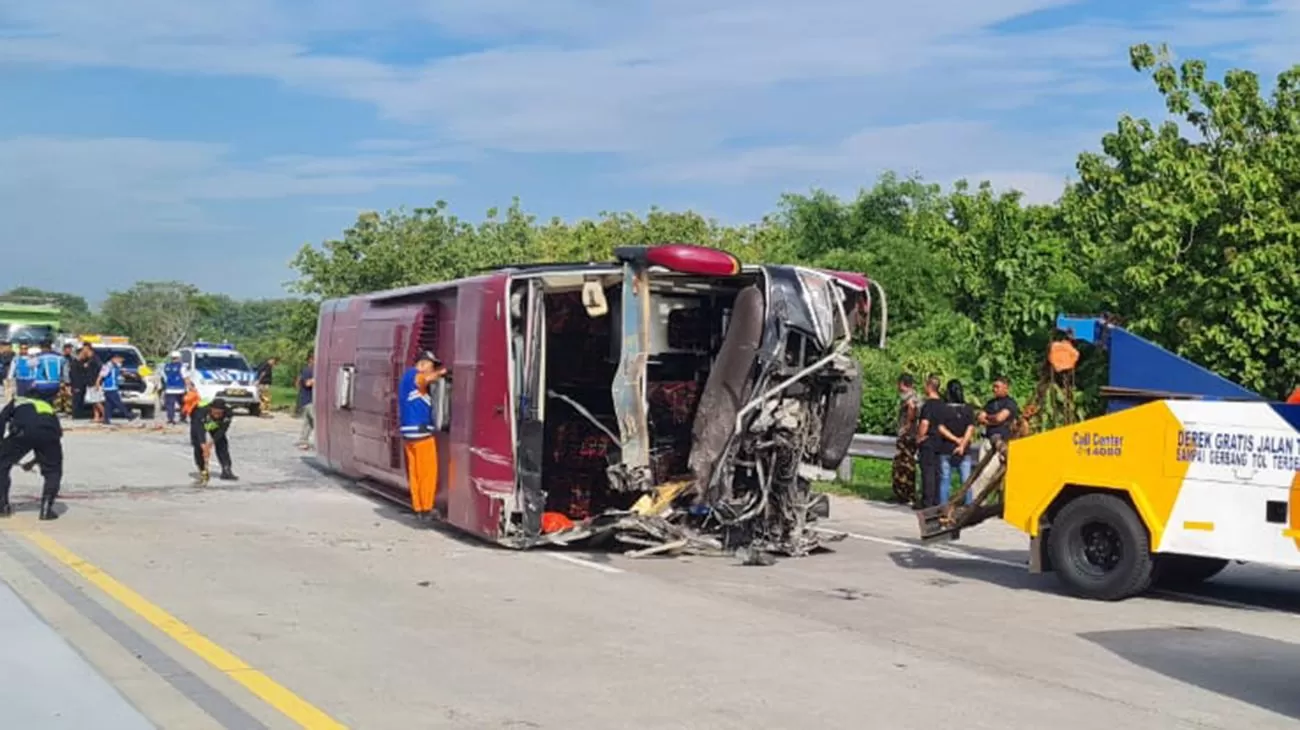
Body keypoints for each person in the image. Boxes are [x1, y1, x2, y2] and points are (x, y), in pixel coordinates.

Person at [398, 351, 447, 521]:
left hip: (408, 433)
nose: (431, 370)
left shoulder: (405, 378)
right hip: (421, 432)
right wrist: (441, 373)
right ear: (423, 363)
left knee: (415, 473)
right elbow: (424, 380)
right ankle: (427, 508)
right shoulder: (416, 377)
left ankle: (418, 507)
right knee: (427, 472)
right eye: (431, 366)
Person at [0, 393, 64, 520]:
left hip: (22, 432)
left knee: (2, 465)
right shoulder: (47, 406)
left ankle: (2, 506)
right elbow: (49, 436)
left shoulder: (18, 401)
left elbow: (2, 419)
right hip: (50, 433)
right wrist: (35, 461)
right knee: (53, 470)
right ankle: (46, 510)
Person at [936, 379, 976, 506]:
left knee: (945, 479)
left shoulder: (943, 409)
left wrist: (954, 439)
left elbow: (941, 428)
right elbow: (970, 429)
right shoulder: (968, 409)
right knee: (966, 480)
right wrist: (962, 444)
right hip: (964, 450)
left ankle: (944, 506)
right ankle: (968, 504)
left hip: (946, 448)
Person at [190, 397, 236, 485]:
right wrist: (204, 445)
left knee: (222, 443)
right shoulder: (201, 411)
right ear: (211, 409)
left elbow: (222, 430)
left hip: (215, 424)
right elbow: (200, 430)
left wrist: (211, 443)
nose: (217, 415)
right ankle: (203, 470)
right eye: (215, 413)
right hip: (198, 422)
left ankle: (226, 469)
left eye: (220, 413)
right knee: (198, 446)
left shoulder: (228, 413)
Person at [916, 374, 946, 509]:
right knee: (937, 472)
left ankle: (927, 501)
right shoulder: (943, 404)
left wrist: (919, 437)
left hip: (928, 440)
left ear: (929, 387)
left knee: (927, 471)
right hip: (940, 441)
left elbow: (924, 423)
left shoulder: (928, 405)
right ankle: (936, 499)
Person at [891, 373, 920, 505]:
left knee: (906, 465)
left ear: (902, 383)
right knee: (900, 465)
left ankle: (907, 493)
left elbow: (912, 409)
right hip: (909, 435)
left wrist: (907, 426)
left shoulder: (911, 398)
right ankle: (901, 493)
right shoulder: (912, 396)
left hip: (908, 436)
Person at [977, 376, 1020, 454]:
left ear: (1005, 388)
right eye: (993, 386)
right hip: (987, 441)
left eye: (997, 387)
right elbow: (980, 418)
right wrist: (994, 420)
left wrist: (987, 418)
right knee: (982, 466)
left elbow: (999, 418)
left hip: (1002, 443)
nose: (994, 389)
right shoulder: (990, 403)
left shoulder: (1010, 403)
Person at [97, 352, 134, 425]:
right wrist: (97, 383)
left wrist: (130, 375)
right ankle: (128, 415)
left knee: (109, 404)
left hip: (113, 387)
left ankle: (106, 419)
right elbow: (101, 375)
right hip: (109, 388)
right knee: (118, 403)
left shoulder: (116, 365)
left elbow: (121, 372)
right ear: (113, 358)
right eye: (118, 359)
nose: (119, 360)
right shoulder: (108, 366)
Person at [295, 353, 315, 450]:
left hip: (309, 400)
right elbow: (307, 383)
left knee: (308, 422)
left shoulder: (313, 370)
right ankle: (323, 444)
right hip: (308, 400)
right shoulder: (308, 370)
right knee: (316, 421)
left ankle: (303, 441)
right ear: (310, 360)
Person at [162, 352, 187, 426]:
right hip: (180, 389)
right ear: (179, 358)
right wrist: (190, 387)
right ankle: (183, 418)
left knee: (170, 405)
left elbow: (163, 378)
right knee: (183, 404)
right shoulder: (182, 366)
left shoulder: (166, 366)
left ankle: (170, 420)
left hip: (169, 389)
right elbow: (185, 377)